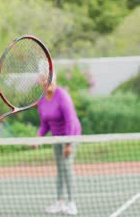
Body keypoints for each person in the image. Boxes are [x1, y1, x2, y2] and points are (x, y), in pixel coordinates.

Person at [36, 73, 82, 215]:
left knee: (67, 168)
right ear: (40, 83)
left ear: (54, 80)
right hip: (56, 138)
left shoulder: (63, 97)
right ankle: (59, 202)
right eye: (43, 80)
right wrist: (38, 137)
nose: (46, 82)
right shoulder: (42, 101)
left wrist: (68, 143)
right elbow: (45, 124)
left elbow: (71, 121)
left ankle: (72, 203)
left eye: (49, 79)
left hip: (70, 135)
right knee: (60, 170)